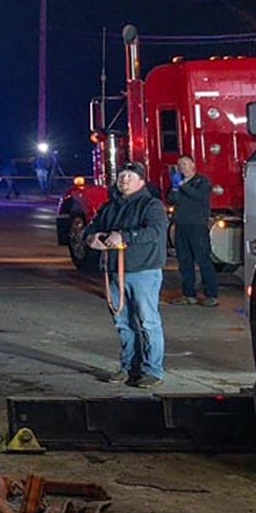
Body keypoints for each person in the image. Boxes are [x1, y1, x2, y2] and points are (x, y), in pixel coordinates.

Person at [86, 162, 167, 387]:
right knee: (122, 322)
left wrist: (125, 236)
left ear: (141, 180)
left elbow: (154, 232)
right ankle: (128, 366)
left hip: (143, 272)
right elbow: (91, 228)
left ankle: (153, 370)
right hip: (114, 272)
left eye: (130, 176)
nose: (124, 179)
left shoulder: (151, 205)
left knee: (147, 322)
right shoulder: (110, 207)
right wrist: (92, 238)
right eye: (122, 175)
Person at [170, 156, 217, 307]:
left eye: (184, 164)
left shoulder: (202, 182)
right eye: (179, 165)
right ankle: (188, 294)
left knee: (203, 260)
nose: (181, 167)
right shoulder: (179, 184)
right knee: (184, 261)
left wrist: (183, 185)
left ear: (193, 165)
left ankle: (211, 295)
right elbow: (172, 199)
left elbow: (199, 196)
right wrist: (175, 188)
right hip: (181, 226)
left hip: (197, 226)